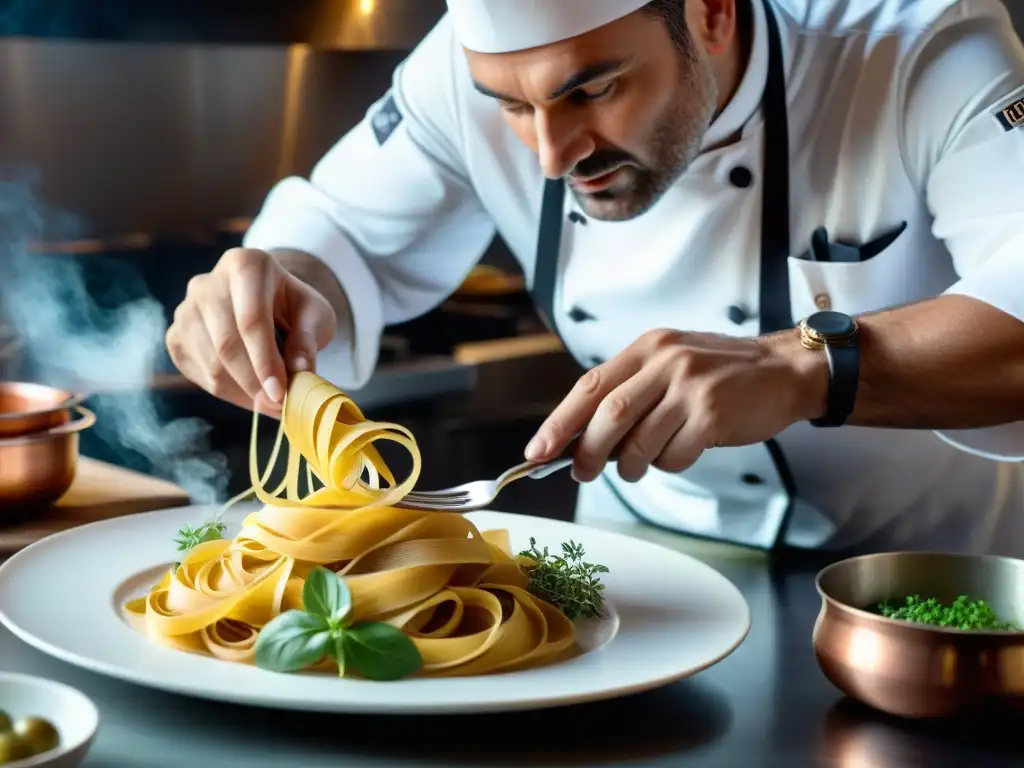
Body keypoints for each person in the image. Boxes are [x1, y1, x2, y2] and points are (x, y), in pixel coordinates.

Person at [166, 0, 1024, 556]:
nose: (549, 154)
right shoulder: (463, 67)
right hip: (638, 571)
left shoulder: (917, 47)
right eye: (509, 106)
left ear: (712, 12)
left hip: (924, 588)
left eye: (595, 89)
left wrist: (805, 366)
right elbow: (338, 228)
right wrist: (273, 284)